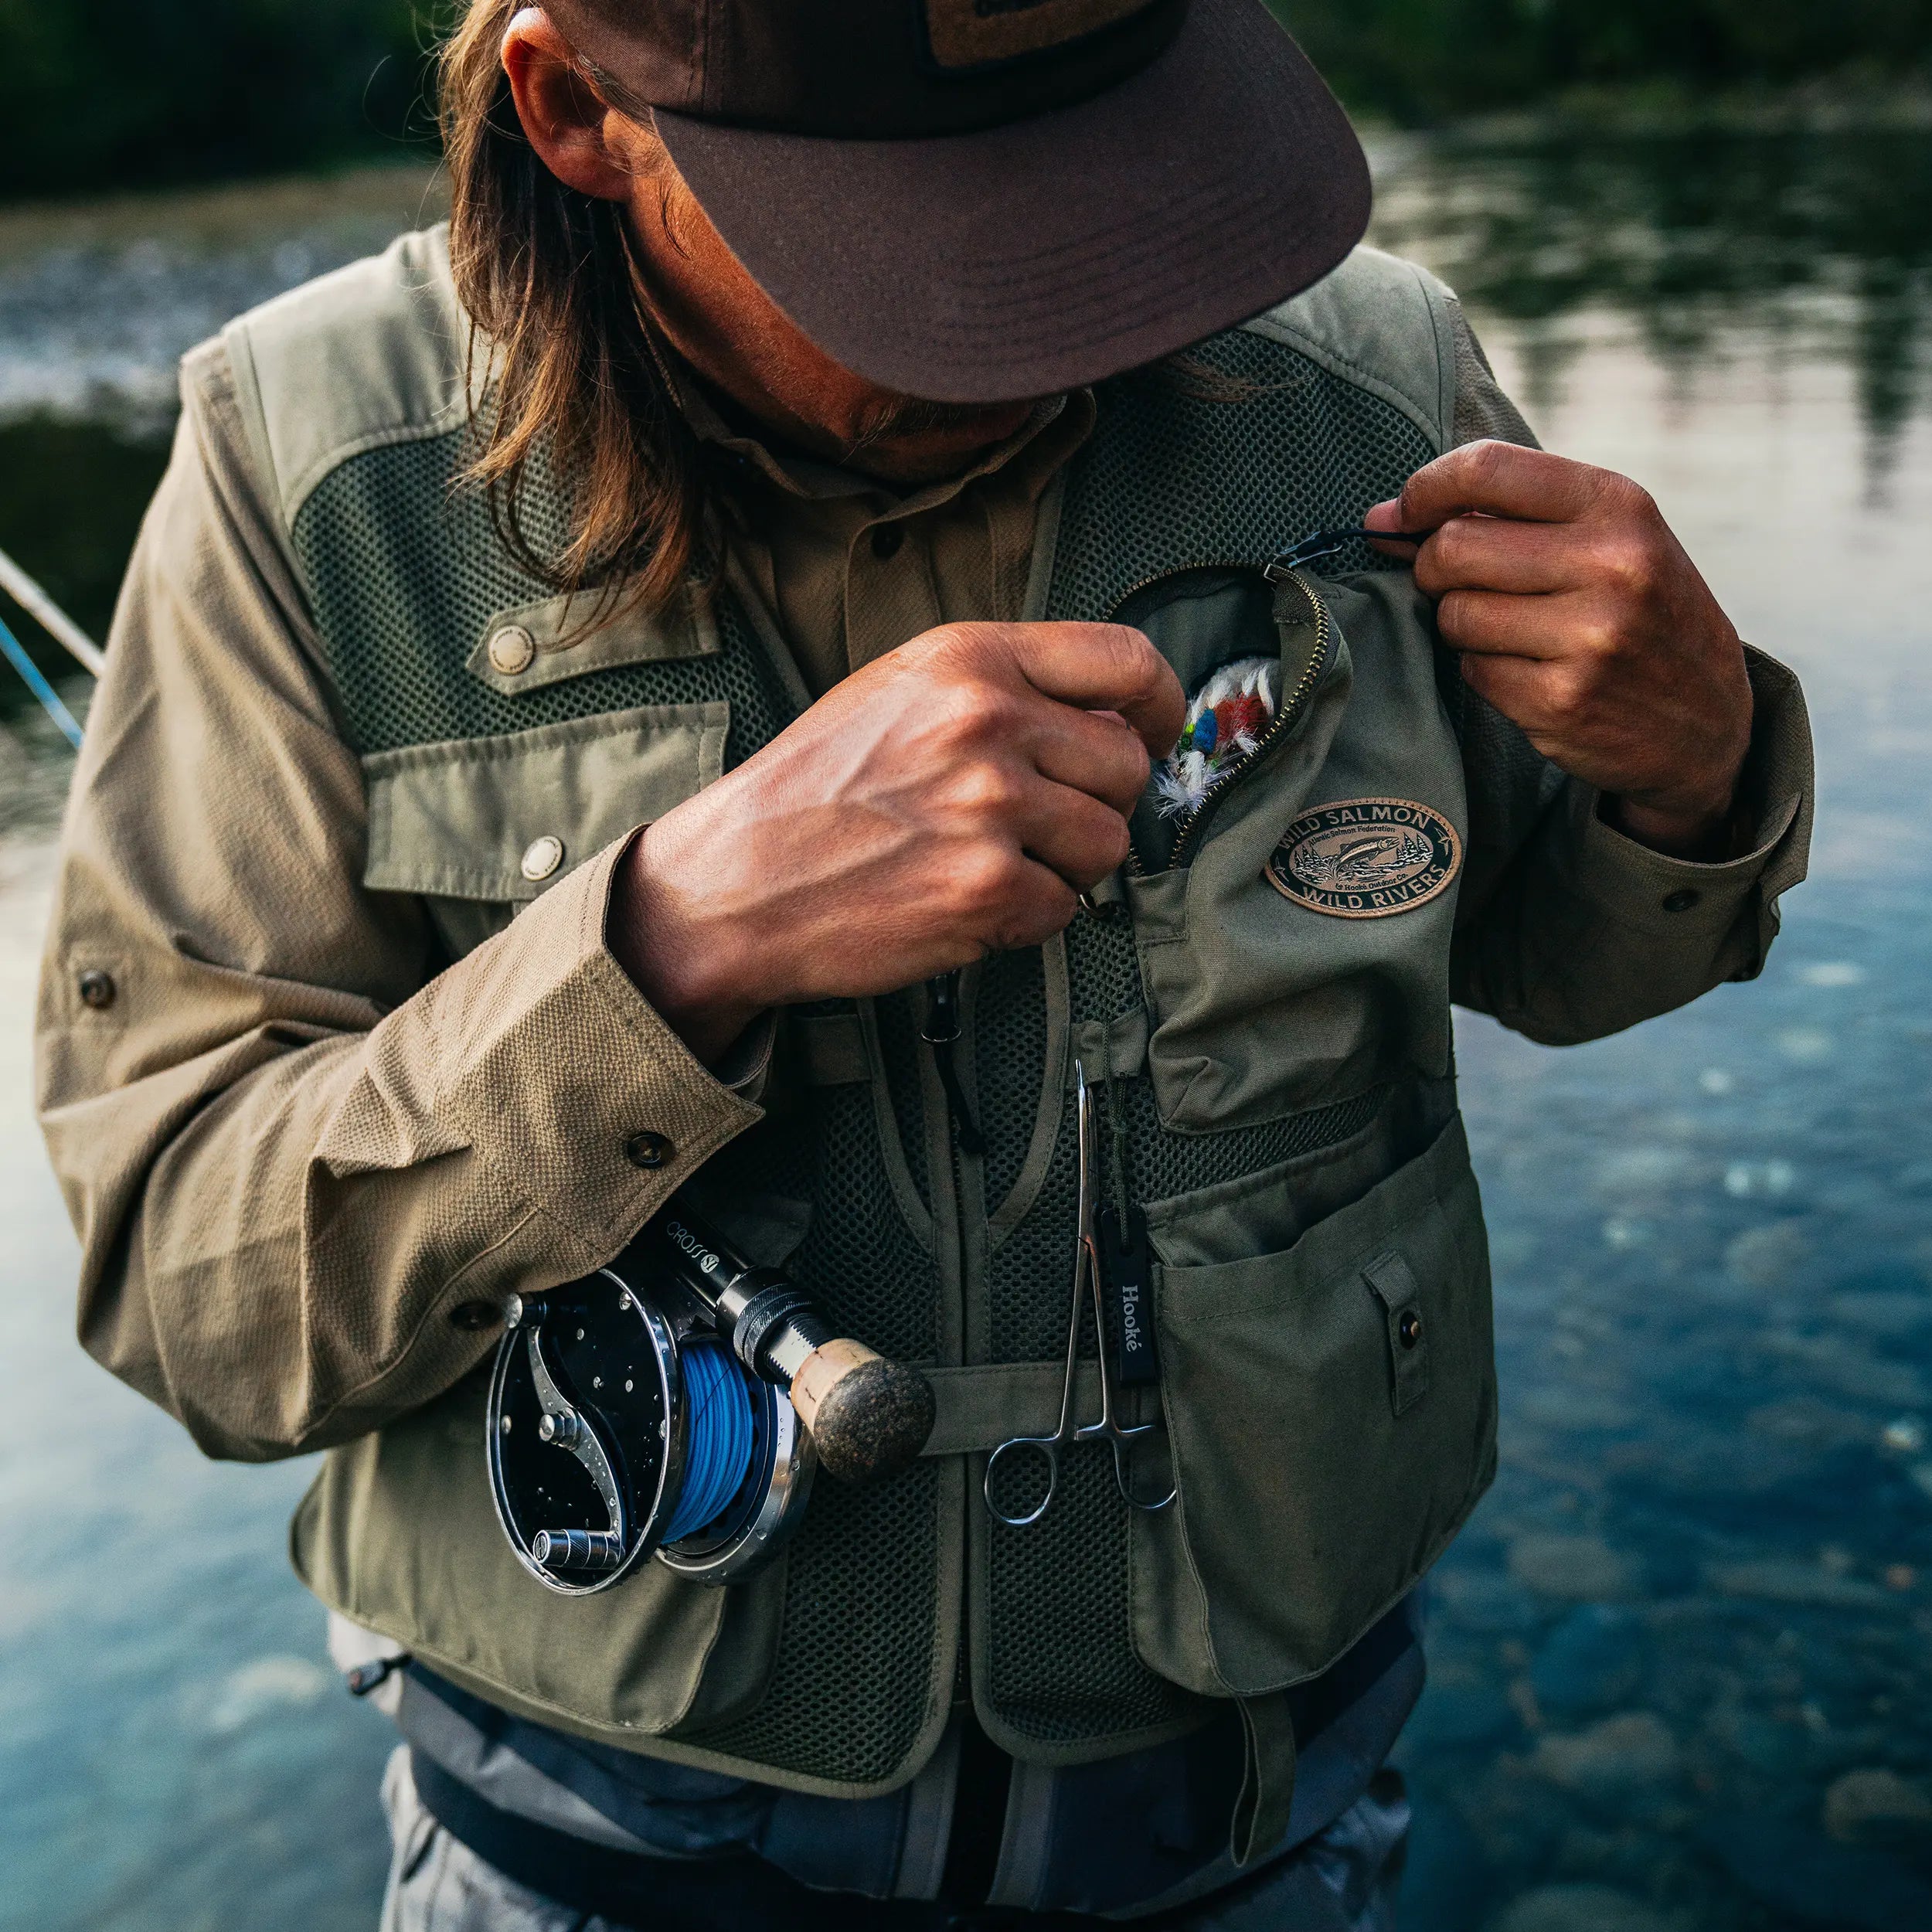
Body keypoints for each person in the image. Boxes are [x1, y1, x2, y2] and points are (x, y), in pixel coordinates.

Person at [36, 2, 1813, 1927]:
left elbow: (1556, 953)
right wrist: (666, 940)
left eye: (1111, 185)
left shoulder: (1381, 377)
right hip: (595, 1861)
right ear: (574, 111)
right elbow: (194, 1291)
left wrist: (1695, 767)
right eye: (941, 241)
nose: (1077, 319)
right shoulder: (307, 472)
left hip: (1248, 1830)